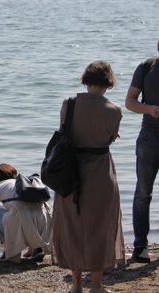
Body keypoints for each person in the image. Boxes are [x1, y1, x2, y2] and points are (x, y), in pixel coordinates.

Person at [52, 61, 125, 293]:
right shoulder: (114, 109)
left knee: (73, 226)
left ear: (86, 79)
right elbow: (110, 137)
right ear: (108, 81)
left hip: (70, 172)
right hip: (100, 172)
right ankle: (96, 285)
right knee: (100, 227)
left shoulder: (68, 104)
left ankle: (75, 285)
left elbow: (67, 131)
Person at [125, 42, 159, 264]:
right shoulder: (146, 67)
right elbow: (130, 102)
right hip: (149, 137)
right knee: (143, 192)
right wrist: (150, 109)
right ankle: (140, 246)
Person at [0, 164, 52, 263]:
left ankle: (9, 249)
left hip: (24, 222)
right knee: (23, 210)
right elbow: (30, 211)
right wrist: (30, 250)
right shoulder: (26, 184)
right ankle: (37, 248)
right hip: (45, 223)